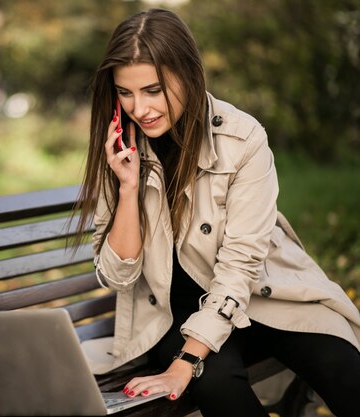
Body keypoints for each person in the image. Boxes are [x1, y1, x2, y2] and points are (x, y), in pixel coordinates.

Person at [73, 8, 360, 417]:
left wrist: (186, 363)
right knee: (217, 383)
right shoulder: (119, 149)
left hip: (259, 298)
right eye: (126, 93)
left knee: (341, 365)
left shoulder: (243, 139)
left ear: (188, 75)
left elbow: (241, 266)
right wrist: (128, 188)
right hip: (172, 317)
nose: (140, 108)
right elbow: (118, 275)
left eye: (154, 90)